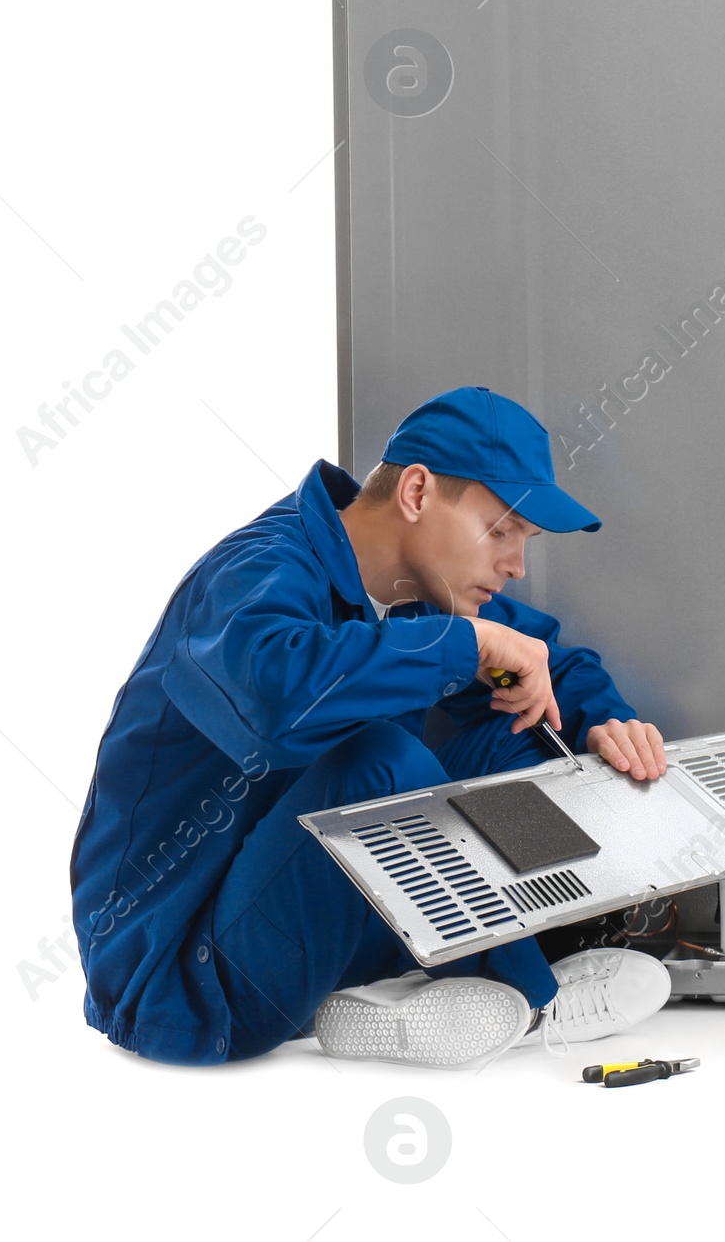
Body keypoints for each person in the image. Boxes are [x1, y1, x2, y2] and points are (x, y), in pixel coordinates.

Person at [70, 385, 672, 1069]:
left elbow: (544, 668)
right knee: (383, 761)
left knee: (526, 730)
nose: (516, 565)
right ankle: (533, 998)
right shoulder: (257, 571)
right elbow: (276, 702)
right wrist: (467, 648)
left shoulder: (415, 596)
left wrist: (609, 722)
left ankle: (437, 971)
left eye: (525, 541)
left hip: (296, 905)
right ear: (416, 491)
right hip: (183, 972)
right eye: (501, 530)